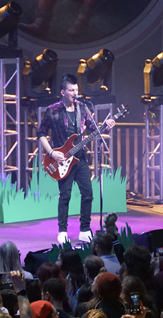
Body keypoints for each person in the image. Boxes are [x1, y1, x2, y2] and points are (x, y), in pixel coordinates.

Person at [36, 74, 116, 245]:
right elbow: (41, 133)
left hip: (80, 159)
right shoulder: (53, 110)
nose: (75, 93)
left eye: (76, 90)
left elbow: (94, 128)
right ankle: (62, 231)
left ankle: (85, 229)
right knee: (65, 196)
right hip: (61, 159)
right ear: (63, 92)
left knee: (87, 194)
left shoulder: (83, 108)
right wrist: (51, 152)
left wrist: (106, 125)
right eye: (71, 90)